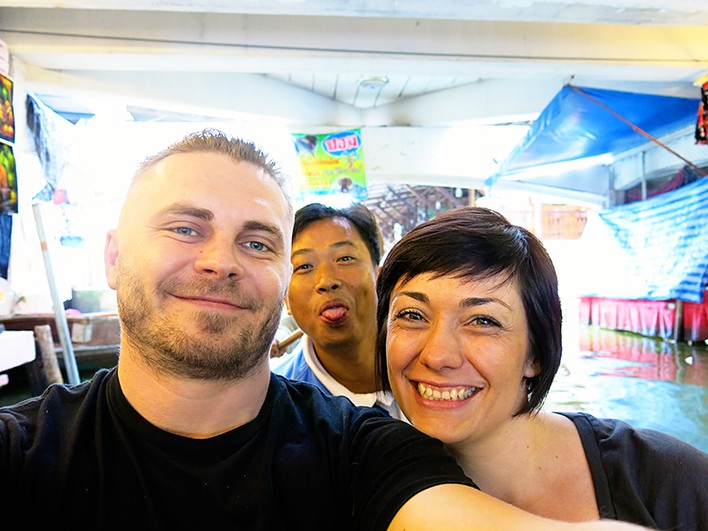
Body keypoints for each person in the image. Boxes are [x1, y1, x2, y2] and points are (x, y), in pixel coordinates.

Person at [0, 129, 648, 531]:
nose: (220, 260)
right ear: (112, 256)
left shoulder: (363, 451)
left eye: (256, 241)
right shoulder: (23, 454)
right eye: (185, 227)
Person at [375, 206, 708, 529]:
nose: (437, 355)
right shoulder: (360, 478)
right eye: (412, 315)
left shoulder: (668, 479)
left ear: (535, 354)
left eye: (483, 321)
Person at [271, 202, 402, 418]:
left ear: (379, 277)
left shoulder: (430, 364)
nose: (327, 281)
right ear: (286, 299)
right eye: (304, 266)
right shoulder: (278, 405)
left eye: (345, 259)